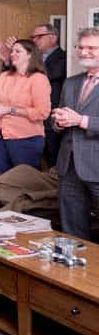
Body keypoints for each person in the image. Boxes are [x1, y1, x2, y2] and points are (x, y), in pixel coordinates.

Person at [0, 24, 66, 167]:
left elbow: (42, 75)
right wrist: (10, 61)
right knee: (11, 176)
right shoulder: (6, 76)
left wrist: (22, 57)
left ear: (53, 38)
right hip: (10, 129)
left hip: (48, 122)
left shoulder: (62, 58)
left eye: (39, 37)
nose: (34, 40)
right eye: (32, 37)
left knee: (51, 165)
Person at [53, 27, 99, 239]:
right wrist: (60, 122)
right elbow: (58, 122)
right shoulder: (71, 82)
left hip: (96, 166)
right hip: (69, 166)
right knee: (72, 230)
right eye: (81, 47)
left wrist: (80, 120)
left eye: (91, 48)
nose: (84, 52)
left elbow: (79, 120)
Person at [0, 39, 51, 175]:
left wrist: (10, 110)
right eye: (12, 51)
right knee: (5, 182)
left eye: (18, 51)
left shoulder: (38, 79)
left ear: (30, 55)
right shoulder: (4, 76)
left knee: (25, 183)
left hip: (26, 140)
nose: (12, 54)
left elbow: (43, 112)